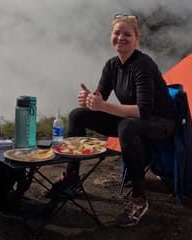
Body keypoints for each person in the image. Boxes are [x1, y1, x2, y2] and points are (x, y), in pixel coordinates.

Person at [55, 14, 176, 227]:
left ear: (137, 38)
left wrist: (102, 106)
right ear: (111, 36)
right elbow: (101, 97)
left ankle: (139, 199)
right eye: (117, 33)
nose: (121, 38)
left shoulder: (143, 65)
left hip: (161, 122)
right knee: (77, 115)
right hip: (133, 119)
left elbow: (143, 111)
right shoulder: (112, 65)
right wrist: (90, 100)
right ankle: (71, 178)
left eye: (127, 34)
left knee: (127, 125)